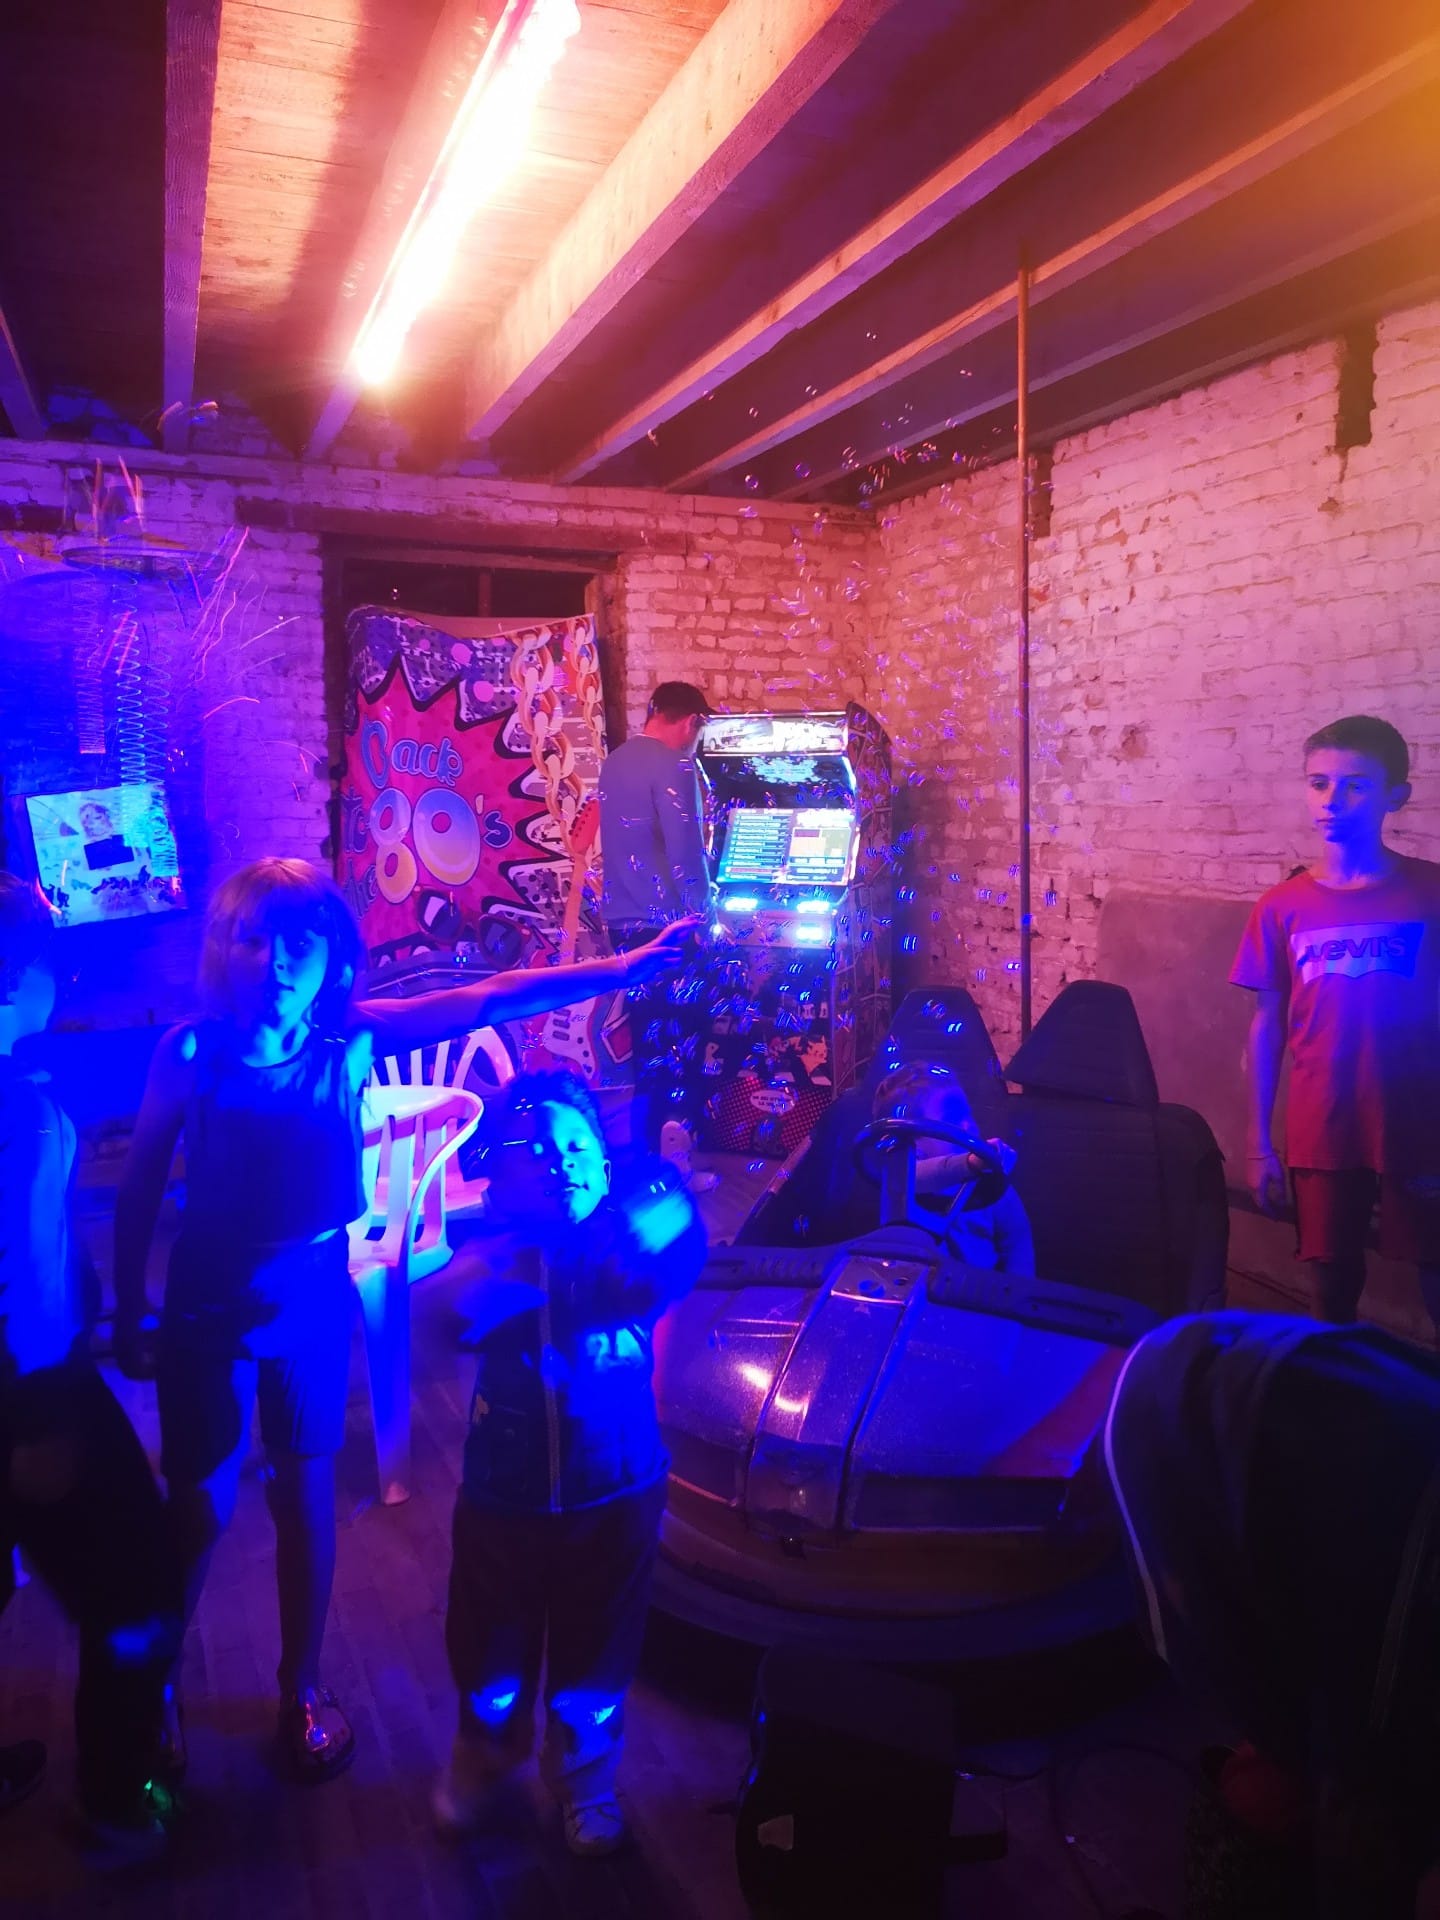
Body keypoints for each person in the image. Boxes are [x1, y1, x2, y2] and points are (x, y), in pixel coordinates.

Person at [113, 858, 695, 1785]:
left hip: (309, 1297)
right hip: (206, 1301)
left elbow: (490, 996)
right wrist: (128, 1306)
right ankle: (154, 1689)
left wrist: (623, 970)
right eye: (254, 940)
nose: (276, 962)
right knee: (200, 1506)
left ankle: (301, 1688)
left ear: (331, 955)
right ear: (223, 949)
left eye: (299, 942)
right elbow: (140, 1182)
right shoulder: (189, 1054)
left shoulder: (347, 1042)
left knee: (306, 1498)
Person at [434, 1071, 706, 1857]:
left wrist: (667, 1212)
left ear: (604, 1163)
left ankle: (585, 1778)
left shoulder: (625, 1247)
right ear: (504, 1173)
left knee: (600, 1649)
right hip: (503, 1497)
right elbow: (439, 1317)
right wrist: (479, 1281)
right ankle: (483, 1759)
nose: (562, 1162)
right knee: (488, 1651)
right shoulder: (489, 1254)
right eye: (540, 1149)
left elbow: (676, 1242)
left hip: (616, 1489)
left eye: (578, 1146)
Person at [1105, 1310, 1440, 1918]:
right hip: (1192, 1410)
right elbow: (1362, 1804)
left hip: (1261, 1394)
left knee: (1336, 1775)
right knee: (1333, 1780)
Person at [0, 872, 183, 1862]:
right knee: (137, 1585)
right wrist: (25, 1424)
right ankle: (119, 1801)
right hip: (34, 1394)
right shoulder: (15, 1108)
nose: (62, 978)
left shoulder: (21, 1086)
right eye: (50, 960)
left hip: (40, 1380)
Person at [1231, 716, 1440, 1327]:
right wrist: (1258, 1143)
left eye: (1355, 786)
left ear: (1395, 796)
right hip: (1322, 1123)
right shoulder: (1281, 907)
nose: (1332, 800)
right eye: (1319, 783)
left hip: (1419, 1122)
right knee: (1330, 1285)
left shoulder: (1430, 892)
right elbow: (1266, 1027)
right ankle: (1330, 1380)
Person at [594, 681, 715, 1178]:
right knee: (683, 1046)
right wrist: (707, 917)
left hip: (623, 928)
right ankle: (678, 1168)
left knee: (646, 1048)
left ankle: (646, 1165)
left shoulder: (614, 762)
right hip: (668, 930)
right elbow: (686, 853)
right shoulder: (676, 765)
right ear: (691, 722)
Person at [814, 1061, 1033, 1268]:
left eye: (967, 1113)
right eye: (953, 1117)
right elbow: (913, 1176)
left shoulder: (993, 1188)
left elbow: (1018, 1246)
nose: (967, 1124)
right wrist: (970, 1164)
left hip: (975, 1291)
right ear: (913, 1145)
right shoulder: (897, 1184)